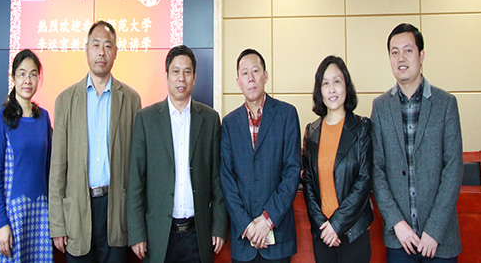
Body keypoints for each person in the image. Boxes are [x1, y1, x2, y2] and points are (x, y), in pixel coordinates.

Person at [49, 20, 142, 262]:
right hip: (78, 209)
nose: (102, 52)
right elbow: (57, 168)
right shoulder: (65, 100)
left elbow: (137, 167)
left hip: (116, 210)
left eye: (108, 46)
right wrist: (57, 224)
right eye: (96, 45)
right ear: (86, 49)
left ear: (116, 52)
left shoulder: (131, 100)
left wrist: (137, 223)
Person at [371, 23, 463, 262]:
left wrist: (434, 230)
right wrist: (397, 223)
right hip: (399, 240)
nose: (401, 58)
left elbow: (453, 168)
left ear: (421, 56)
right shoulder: (380, 107)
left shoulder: (445, 103)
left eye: (408, 50)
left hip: (440, 240)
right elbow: (377, 170)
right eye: (394, 52)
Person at [127, 45, 227, 263]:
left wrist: (219, 226)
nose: (181, 78)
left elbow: (217, 179)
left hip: (197, 234)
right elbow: (135, 181)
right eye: (175, 71)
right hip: (159, 234)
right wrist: (137, 232)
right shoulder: (146, 119)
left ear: (194, 77)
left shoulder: (210, 119)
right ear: (166, 76)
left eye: (187, 72)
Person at [220, 48, 301, 263]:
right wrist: (247, 226)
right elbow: (227, 180)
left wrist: (267, 220)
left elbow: (292, 172)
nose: (251, 78)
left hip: (278, 237)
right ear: (238, 82)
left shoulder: (287, 114)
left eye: (255, 71)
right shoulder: (229, 124)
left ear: (265, 75)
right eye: (245, 73)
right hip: (243, 241)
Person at [301, 55, 373, 263]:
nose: (331, 89)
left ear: (346, 86)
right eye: (325, 83)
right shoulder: (311, 132)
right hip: (323, 235)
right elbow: (308, 183)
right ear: (319, 90)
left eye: (337, 81)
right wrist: (323, 226)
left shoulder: (362, 128)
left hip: (354, 234)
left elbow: (364, 180)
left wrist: (337, 225)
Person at [0, 49, 53, 262]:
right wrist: (2, 223)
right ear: (12, 77)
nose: (27, 80)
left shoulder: (44, 118)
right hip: (11, 217)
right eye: (22, 74)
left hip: (40, 215)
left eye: (33, 74)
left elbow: (49, 170)